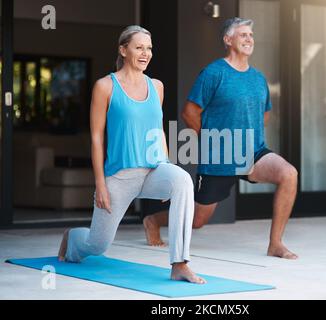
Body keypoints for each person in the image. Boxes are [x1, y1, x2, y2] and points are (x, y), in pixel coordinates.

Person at [57, 25, 206, 284]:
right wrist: (100, 184)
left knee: (182, 179)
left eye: (149, 48)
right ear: (123, 50)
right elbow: (96, 138)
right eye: (139, 47)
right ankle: (73, 238)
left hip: (153, 170)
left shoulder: (157, 86)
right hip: (120, 176)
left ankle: (180, 263)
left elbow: (157, 129)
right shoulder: (105, 86)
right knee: (97, 245)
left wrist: (166, 167)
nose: (145, 53)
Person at [143, 18, 298, 259]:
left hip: (253, 152)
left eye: (251, 35)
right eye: (243, 34)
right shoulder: (214, 73)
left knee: (288, 174)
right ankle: (153, 219)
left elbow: (265, 113)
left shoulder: (258, 78)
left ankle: (275, 243)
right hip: (219, 156)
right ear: (228, 40)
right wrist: (213, 142)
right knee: (197, 220)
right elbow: (190, 112)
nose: (249, 39)